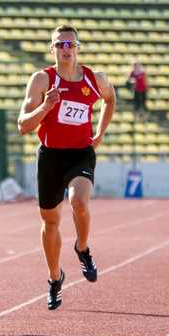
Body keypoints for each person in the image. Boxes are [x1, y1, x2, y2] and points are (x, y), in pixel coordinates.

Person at [17, 25, 116, 310]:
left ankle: (82, 247)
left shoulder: (95, 79)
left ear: (78, 47)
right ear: (52, 49)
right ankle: (54, 277)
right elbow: (23, 126)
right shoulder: (41, 80)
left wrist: (100, 132)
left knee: (79, 201)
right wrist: (46, 107)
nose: (65, 48)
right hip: (50, 156)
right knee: (50, 222)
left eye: (70, 44)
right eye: (59, 44)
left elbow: (110, 99)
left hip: (81, 154)